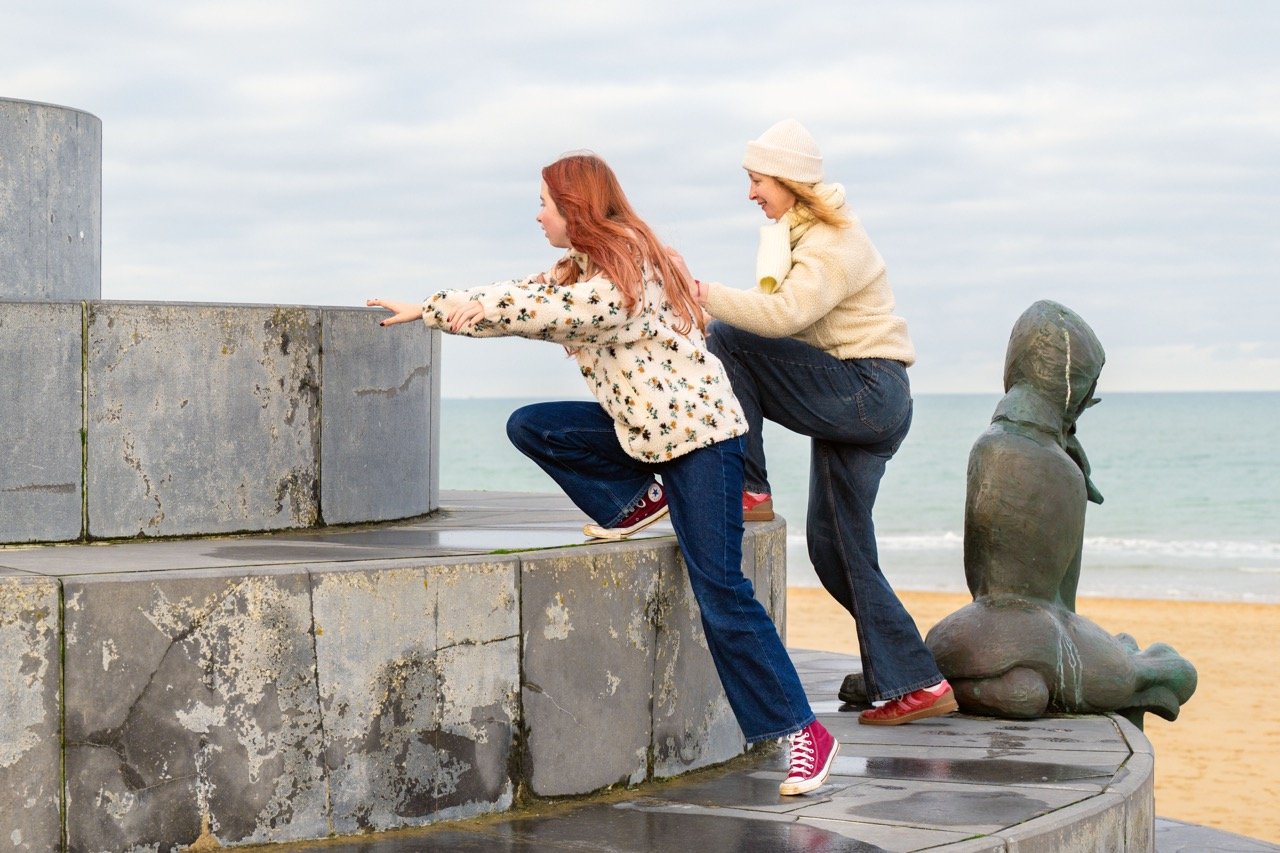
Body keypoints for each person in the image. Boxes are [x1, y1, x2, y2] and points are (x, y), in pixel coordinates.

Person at [368, 152, 837, 794]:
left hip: (701, 442)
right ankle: (637, 500)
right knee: (534, 426)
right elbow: (530, 294)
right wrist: (434, 307)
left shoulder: (627, 267)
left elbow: (561, 314)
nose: (538, 215)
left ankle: (803, 732)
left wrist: (478, 312)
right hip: (643, 433)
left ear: (575, 207)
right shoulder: (577, 266)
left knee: (721, 590)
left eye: (545, 204)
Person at [674, 119, 956, 726]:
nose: (751, 193)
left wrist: (701, 292)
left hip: (867, 390)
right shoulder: (798, 238)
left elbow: (782, 317)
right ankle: (917, 681)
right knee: (835, 548)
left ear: (788, 180)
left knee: (730, 337)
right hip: (855, 394)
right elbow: (781, 327)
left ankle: (749, 486)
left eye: (757, 180)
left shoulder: (833, 239)